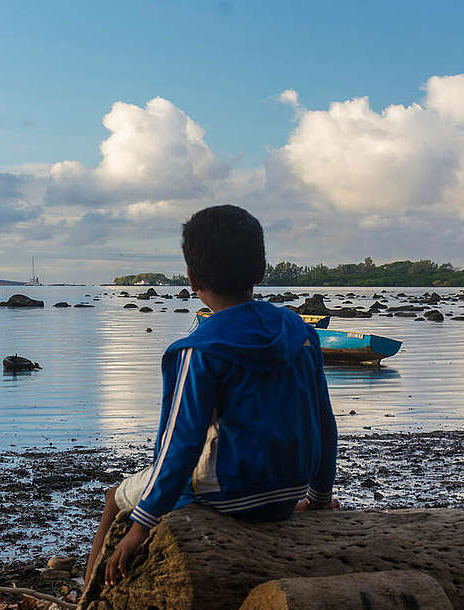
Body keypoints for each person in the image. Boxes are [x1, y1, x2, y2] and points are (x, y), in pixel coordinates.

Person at [93, 204, 339, 590]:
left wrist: (141, 527)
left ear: (191, 278)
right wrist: (320, 497)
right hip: (288, 490)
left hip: (230, 495)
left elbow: (179, 447)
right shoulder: (301, 332)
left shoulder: (198, 350)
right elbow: (324, 421)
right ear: (260, 271)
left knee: (113, 500)